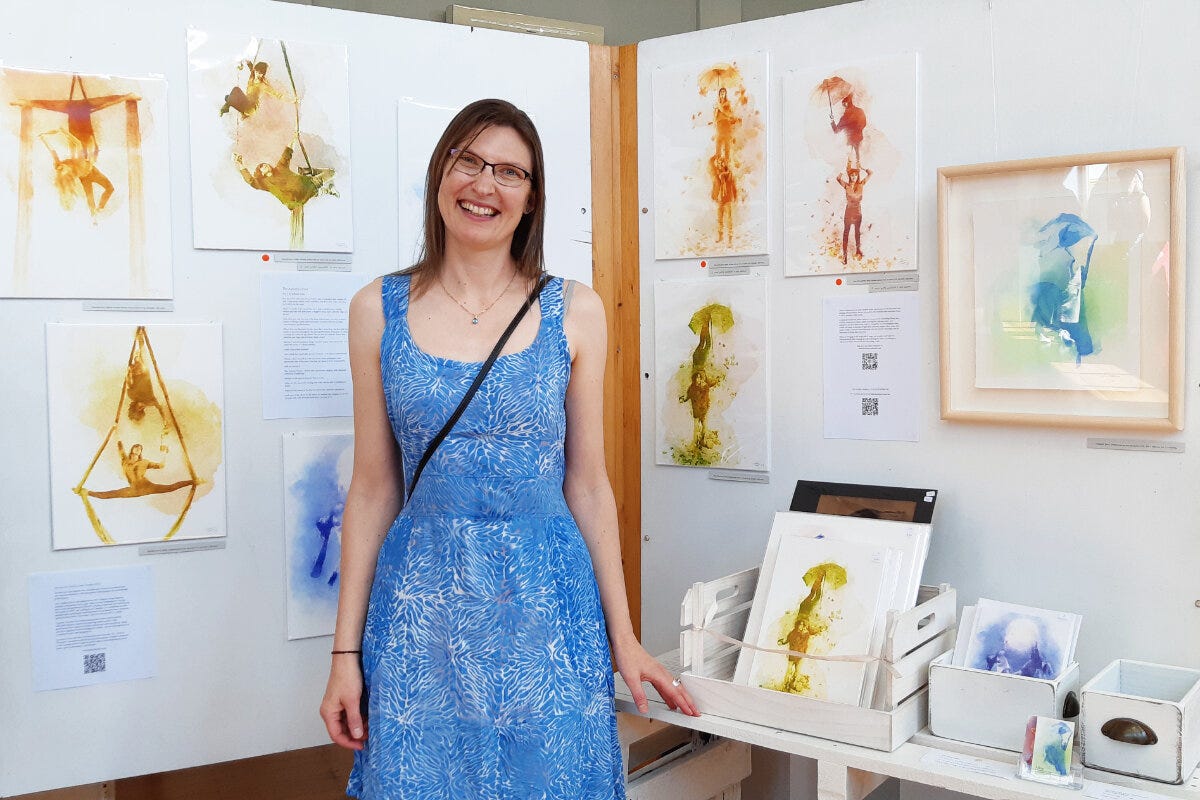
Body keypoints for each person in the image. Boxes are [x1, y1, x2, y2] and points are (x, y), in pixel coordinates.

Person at [319, 99, 697, 799]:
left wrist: (625, 637)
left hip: (549, 609)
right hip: (420, 614)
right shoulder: (377, 308)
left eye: (509, 172)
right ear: (440, 175)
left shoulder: (575, 311)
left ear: (532, 200)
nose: (484, 185)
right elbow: (373, 487)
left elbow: (587, 485)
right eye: (468, 161)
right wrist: (344, 656)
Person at [234, 138, 336, 211]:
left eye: (265, 164)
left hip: (309, 184)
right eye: (262, 167)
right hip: (297, 199)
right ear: (261, 173)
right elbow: (250, 181)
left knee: (331, 173)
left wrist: (294, 137)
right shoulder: (265, 183)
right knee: (314, 192)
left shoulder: (280, 168)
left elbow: (286, 154)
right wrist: (240, 163)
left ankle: (309, 173)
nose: (265, 166)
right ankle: (314, 178)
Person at [837, 164, 871, 263]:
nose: (854, 177)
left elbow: (870, 173)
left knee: (857, 232)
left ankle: (858, 250)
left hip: (858, 213)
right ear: (849, 176)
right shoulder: (846, 186)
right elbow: (838, 178)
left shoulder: (861, 184)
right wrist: (843, 170)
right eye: (852, 175)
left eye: (856, 175)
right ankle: (844, 255)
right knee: (846, 233)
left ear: (857, 176)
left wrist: (863, 167)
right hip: (848, 212)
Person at [831, 92, 867, 168]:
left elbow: (836, 131)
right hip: (856, 138)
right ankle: (856, 166)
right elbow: (864, 123)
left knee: (851, 156)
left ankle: (853, 167)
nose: (844, 106)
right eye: (843, 104)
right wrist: (832, 121)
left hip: (852, 139)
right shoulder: (858, 111)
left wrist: (832, 121)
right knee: (854, 155)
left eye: (844, 104)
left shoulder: (846, 117)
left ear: (847, 103)